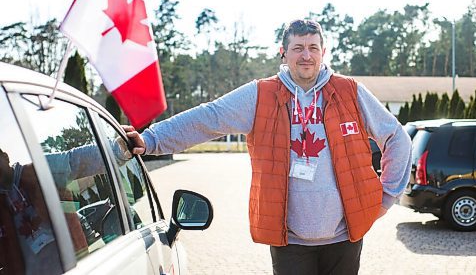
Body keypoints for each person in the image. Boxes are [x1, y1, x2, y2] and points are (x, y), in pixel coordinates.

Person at [124, 19, 412, 275]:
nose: (306, 55)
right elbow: (207, 118)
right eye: (298, 47)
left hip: (345, 236)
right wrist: (151, 139)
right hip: (289, 240)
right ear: (283, 52)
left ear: (323, 52)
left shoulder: (350, 92)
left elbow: (397, 138)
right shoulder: (261, 94)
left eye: (313, 47)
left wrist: (386, 197)